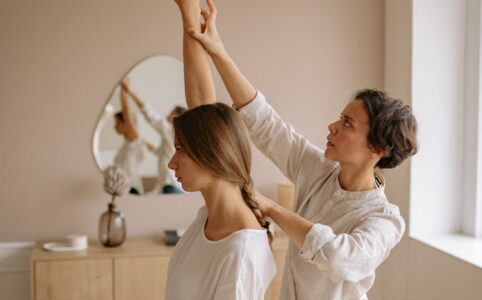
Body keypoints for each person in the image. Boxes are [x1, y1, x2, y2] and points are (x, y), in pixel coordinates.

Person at [185, 1, 418, 299]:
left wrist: (272, 208)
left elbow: (339, 257)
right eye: (339, 117)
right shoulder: (318, 170)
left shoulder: (385, 220)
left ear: (378, 148)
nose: (332, 126)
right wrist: (218, 51)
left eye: (347, 124)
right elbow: (265, 123)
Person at [163, 0, 276, 299]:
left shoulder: (240, 255)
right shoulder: (212, 218)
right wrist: (188, 12)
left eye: (180, 151)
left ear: (212, 153)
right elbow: (201, 105)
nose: (171, 164)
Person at [121, 79, 185, 194]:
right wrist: (142, 140)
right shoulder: (176, 136)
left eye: (172, 113)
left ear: (178, 117)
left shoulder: (171, 130)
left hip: (170, 186)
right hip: (171, 186)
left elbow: (150, 116)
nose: (167, 116)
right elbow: (160, 152)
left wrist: (130, 91)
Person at [112, 82, 145, 195]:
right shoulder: (126, 145)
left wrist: (124, 88)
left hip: (132, 189)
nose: (114, 126)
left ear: (126, 123)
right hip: (123, 190)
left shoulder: (135, 140)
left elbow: (126, 110)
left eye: (117, 122)